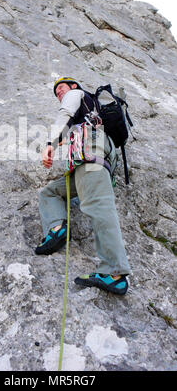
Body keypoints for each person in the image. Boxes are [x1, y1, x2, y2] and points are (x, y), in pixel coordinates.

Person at [35, 77, 131, 295]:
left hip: (91, 153)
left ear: (73, 87)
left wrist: (49, 145)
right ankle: (57, 229)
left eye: (61, 88)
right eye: (56, 91)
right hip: (90, 158)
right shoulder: (88, 111)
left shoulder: (76, 95)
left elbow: (65, 115)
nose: (59, 92)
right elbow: (70, 128)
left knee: (98, 205)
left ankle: (114, 273)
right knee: (50, 193)